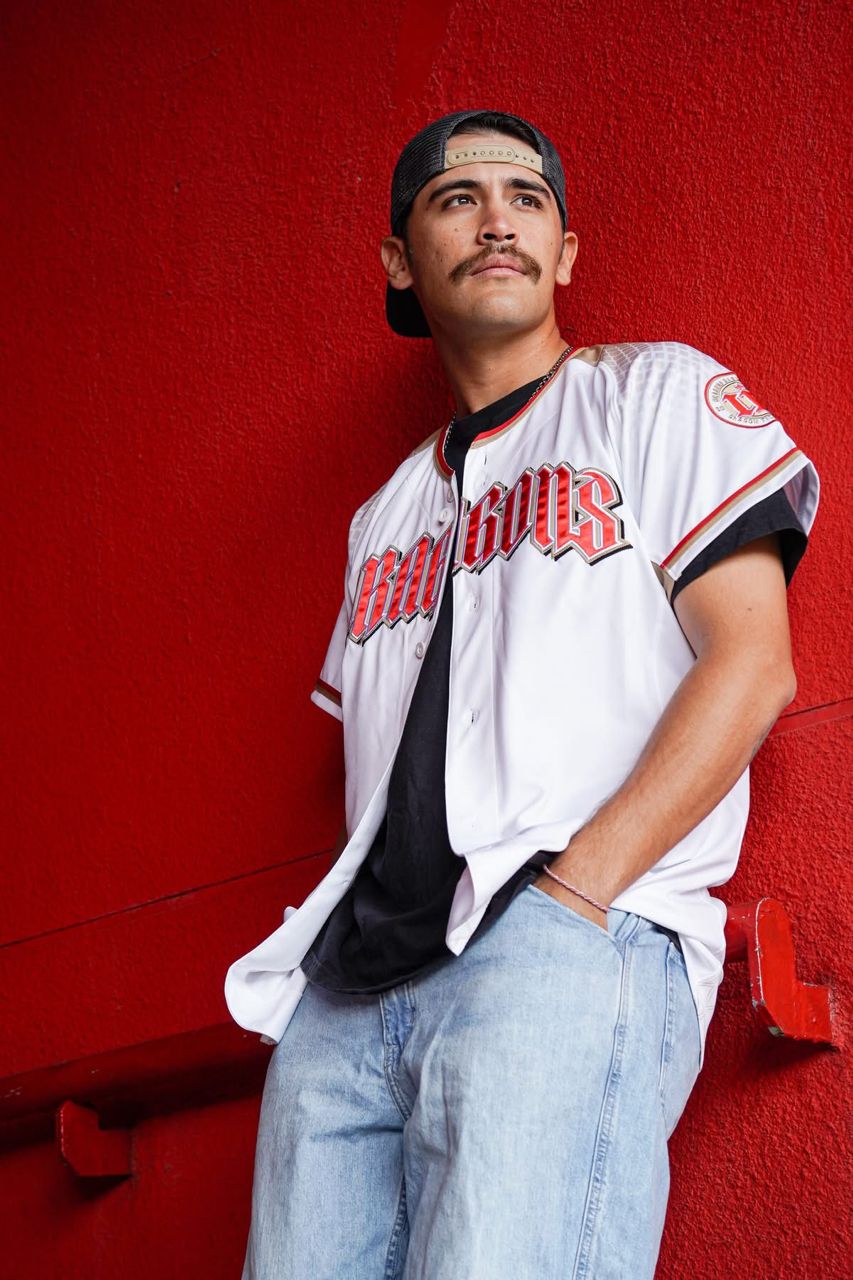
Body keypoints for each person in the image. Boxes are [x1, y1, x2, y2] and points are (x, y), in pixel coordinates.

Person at [225, 109, 820, 1279]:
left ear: (564, 252)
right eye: (457, 200)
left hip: (553, 941)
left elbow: (753, 661)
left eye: (525, 199)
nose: (496, 220)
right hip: (346, 999)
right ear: (401, 260)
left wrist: (573, 893)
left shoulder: (653, 396)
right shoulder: (383, 515)